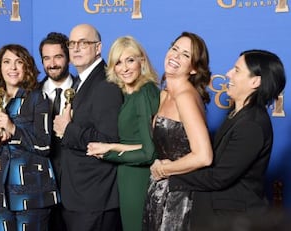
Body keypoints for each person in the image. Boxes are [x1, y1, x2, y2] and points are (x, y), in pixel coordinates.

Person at [167, 49, 287, 230]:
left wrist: (170, 174)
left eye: (237, 70)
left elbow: (219, 177)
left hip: (234, 220)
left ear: (255, 81)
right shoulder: (238, 115)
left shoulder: (251, 125)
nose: (228, 74)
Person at [0, 44, 60, 231]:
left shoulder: (38, 99)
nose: (12, 68)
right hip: (0, 190)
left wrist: (12, 128)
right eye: (7, 62)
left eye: (18, 62)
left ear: (27, 67)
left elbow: (44, 146)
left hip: (32, 192)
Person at [53, 24, 124, 231]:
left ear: (98, 47)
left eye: (84, 43)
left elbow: (109, 140)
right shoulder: (80, 82)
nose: (76, 48)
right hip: (77, 195)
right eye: (72, 43)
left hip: (95, 197)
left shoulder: (105, 84)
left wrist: (68, 130)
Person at [86, 36, 160, 231]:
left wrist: (109, 154)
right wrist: (111, 146)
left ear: (141, 61)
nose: (124, 68)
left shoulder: (144, 92)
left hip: (139, 176)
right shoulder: (128, 93)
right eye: (118, 62)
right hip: (127, 175)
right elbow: (137, 142)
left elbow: (149, 152)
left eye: (130, 60)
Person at [142, 32, 213, 231]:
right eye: (175, 49)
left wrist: (164, 170)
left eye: (185, 55)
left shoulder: (185, 97)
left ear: (193, 68)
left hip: (179, 197)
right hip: (160, 190)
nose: (175, 56)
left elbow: (204, 156)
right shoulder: (165, 94)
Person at [39, 32, 75, 231]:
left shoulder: (85, 91)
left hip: (76, 182)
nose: (52, 63)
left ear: (68, 57)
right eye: (46, 58)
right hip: (41, 181)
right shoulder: (32, 93)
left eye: (58, 57)